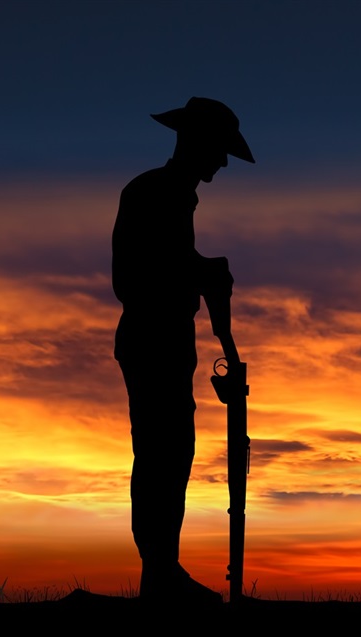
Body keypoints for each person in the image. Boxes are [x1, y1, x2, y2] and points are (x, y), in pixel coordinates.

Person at [112, 97, 254, 603]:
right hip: (153, 339)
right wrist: (201, 272)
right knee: (161, 453)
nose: (221, 162)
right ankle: (161, 575)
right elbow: (135, 276)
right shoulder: (157, 193)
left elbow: (172, 260)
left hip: (167, 341)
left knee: (169, 453)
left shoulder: (171, 196)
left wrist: (202, 270)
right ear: (198, 144)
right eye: (219, 151)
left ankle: (162, 571)